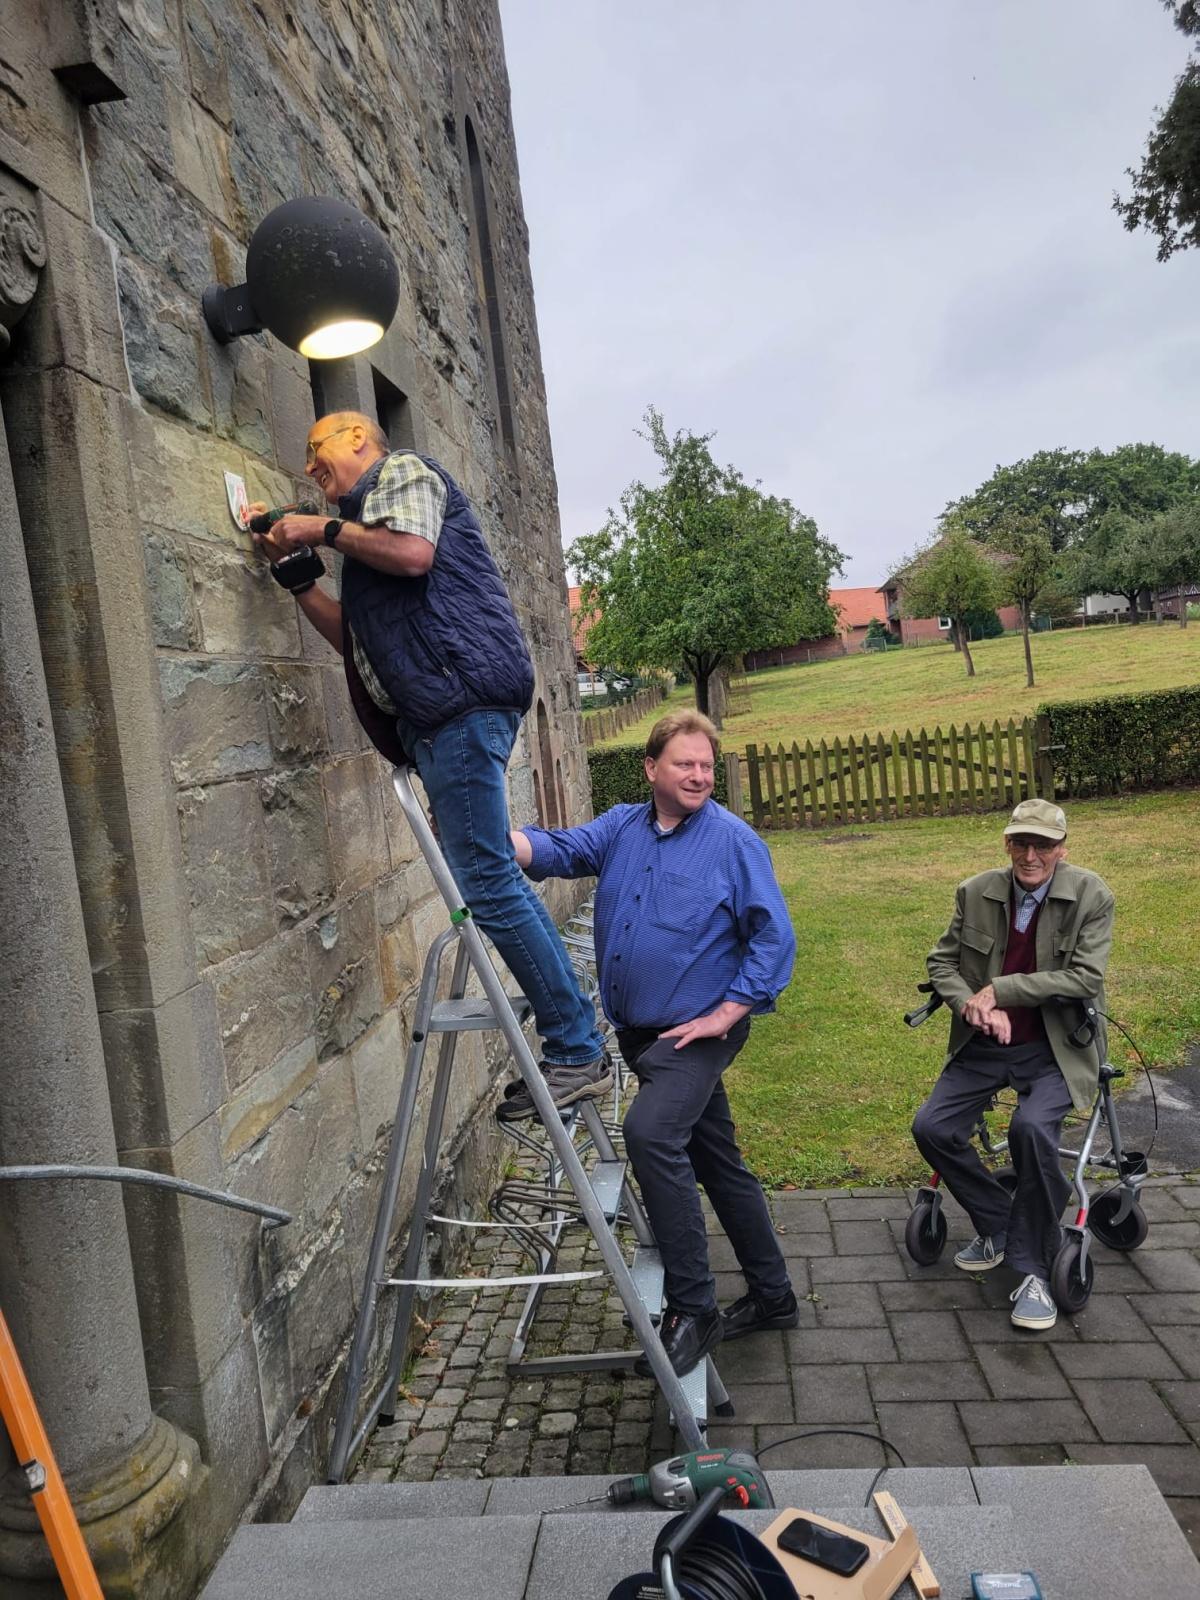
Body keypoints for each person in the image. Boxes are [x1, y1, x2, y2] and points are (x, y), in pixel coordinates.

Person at [250, 412, 611, 1112]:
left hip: (461, 701)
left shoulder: (404, 473)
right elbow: (356, 643)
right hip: (439, 714)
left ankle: (576, 1046)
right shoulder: (364, 548)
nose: (308, 466)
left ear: (358, 434)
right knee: (488, 876)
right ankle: (575, 1033)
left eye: (315, 446)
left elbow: (413, 552)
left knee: (486, 880)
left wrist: (314, 530)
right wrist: (298, 578)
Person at [509, 710, 799, 1376]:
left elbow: (773, 937)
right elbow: (561, 849)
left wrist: (727, 1013)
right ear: (651, 768)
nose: (700, 775)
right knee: (716, 1157)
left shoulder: (731, 841)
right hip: (640, 1033)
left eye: (707, 765)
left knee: (650, 1132)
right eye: (685, 764)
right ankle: (776, 1294)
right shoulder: (620, 826)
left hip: (694, 1035)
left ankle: (692, 1308)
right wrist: (500, 841)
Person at [911, 798, 1115, 1331]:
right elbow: (942, 963)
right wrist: (973, 1006)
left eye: (1043, 845)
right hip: (984, 1044)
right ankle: (1002, 1223)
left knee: (1029, 1130)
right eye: (1020, 843)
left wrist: (999, 991)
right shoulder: (975, 891)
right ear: (1007, 844)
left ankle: (1034, 1270)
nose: (1030, 855)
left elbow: (1085, 979)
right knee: (931, 1127)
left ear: (1060, 849)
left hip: (1054, 1048)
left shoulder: (1091, 894)